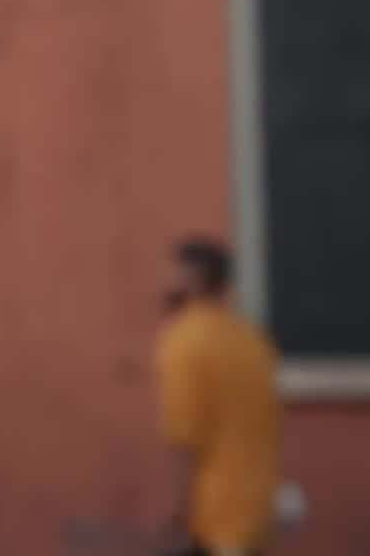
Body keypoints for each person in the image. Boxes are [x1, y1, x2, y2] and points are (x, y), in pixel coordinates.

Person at [155, 236, 281, 556]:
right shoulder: (252, 340)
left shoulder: (184, 341)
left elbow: (186, 439)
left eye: (171, 274)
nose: (163, 284)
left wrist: (177, 510)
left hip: (213, 516)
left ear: (190, 279)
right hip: (257, 510)